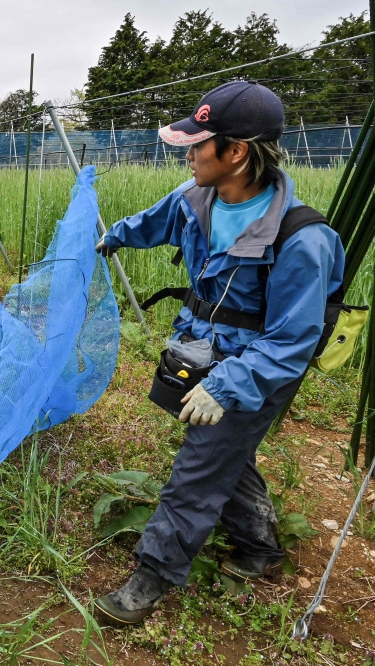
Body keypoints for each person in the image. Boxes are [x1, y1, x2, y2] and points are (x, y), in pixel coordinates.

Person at [92, 80, 345, 627]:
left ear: (237, 152)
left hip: (258, 367)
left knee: (199, 467)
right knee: (224, 449)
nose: (188, 153)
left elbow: (291, 339)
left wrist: (226, 386)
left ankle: (151, 576)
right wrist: (113, 236)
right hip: (204, 346)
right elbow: (152, 223)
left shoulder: (301, 239)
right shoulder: (196, 198)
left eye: (198, 143)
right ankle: (259, 546)